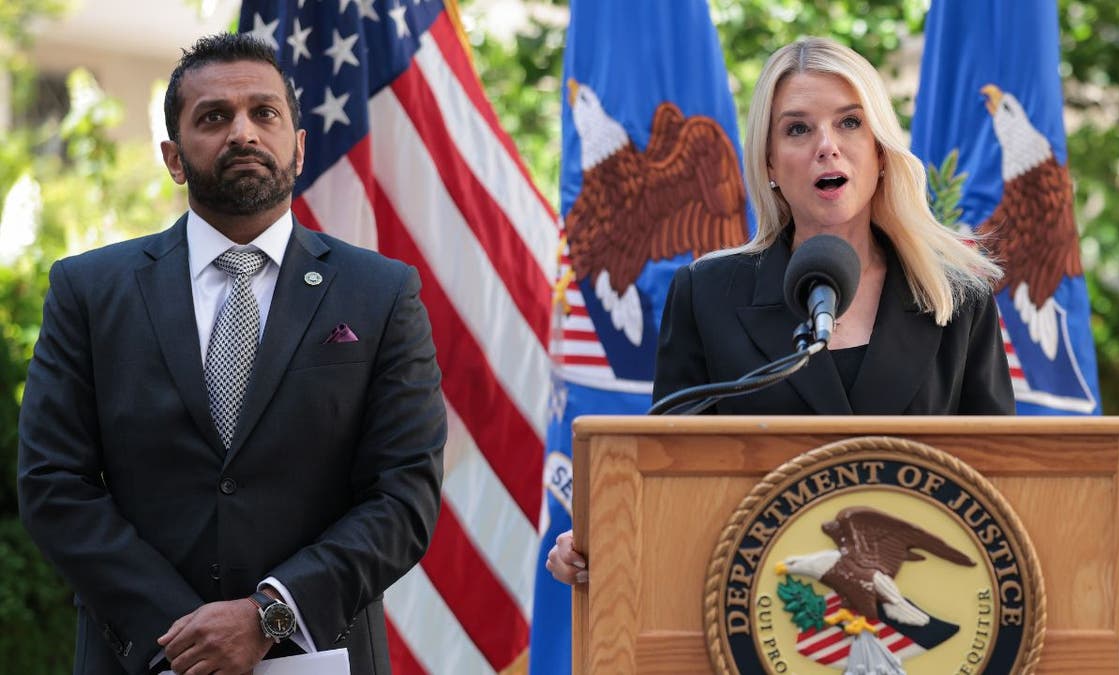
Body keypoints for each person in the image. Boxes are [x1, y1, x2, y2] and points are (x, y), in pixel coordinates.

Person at [17, 33, 446, 675]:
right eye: (213, 117)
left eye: (264, 113)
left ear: (299, 148)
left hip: (316, 653)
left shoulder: (382, 294)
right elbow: (53, 483)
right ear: (174, 157)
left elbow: (404, 492)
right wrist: (183, 640)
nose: (242, 132)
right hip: (141, 657)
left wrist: (268, 615)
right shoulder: (87, 291)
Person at [546, 37, 1014, 585]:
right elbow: (670, 479)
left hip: (923, 614)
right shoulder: (707, 294)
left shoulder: (955, 298)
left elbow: (998, 489)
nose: (827, 147)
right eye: (797, 129)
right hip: (756, 617)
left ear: (881, 149)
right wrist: (597, 539)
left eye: (849, 123)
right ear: (768, 162)